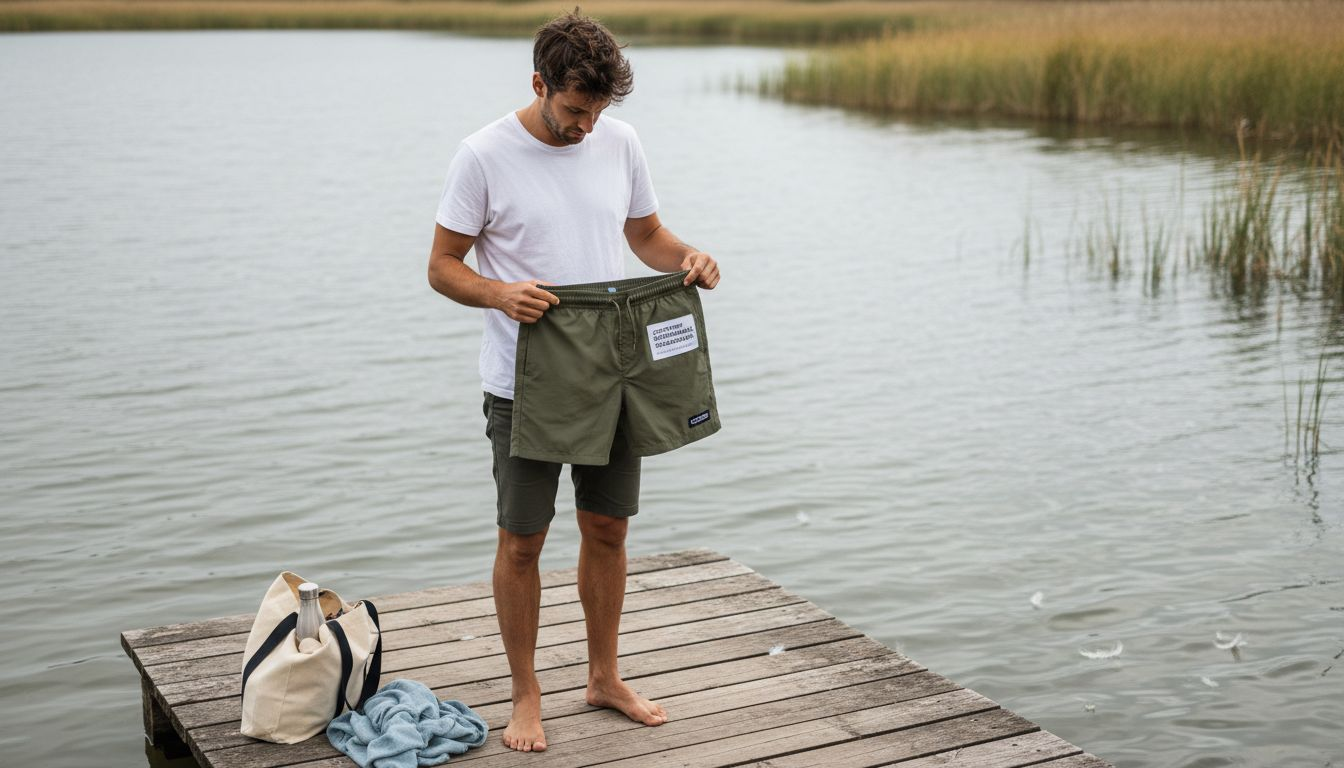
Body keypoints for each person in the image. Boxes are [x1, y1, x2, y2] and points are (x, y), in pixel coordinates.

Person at [426, 10, 720, 754]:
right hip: (522, 383)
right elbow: (442, 266)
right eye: (574, 111)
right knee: (523, 542)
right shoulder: (482, 156)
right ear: (539, 84)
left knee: (609, 529)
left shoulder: (619, 140)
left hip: (613, 376)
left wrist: (690, 257)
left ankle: (603, 677)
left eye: (597, 111)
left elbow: (645, 235)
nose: (587, 127)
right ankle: (526, 695)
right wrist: (499, 293)